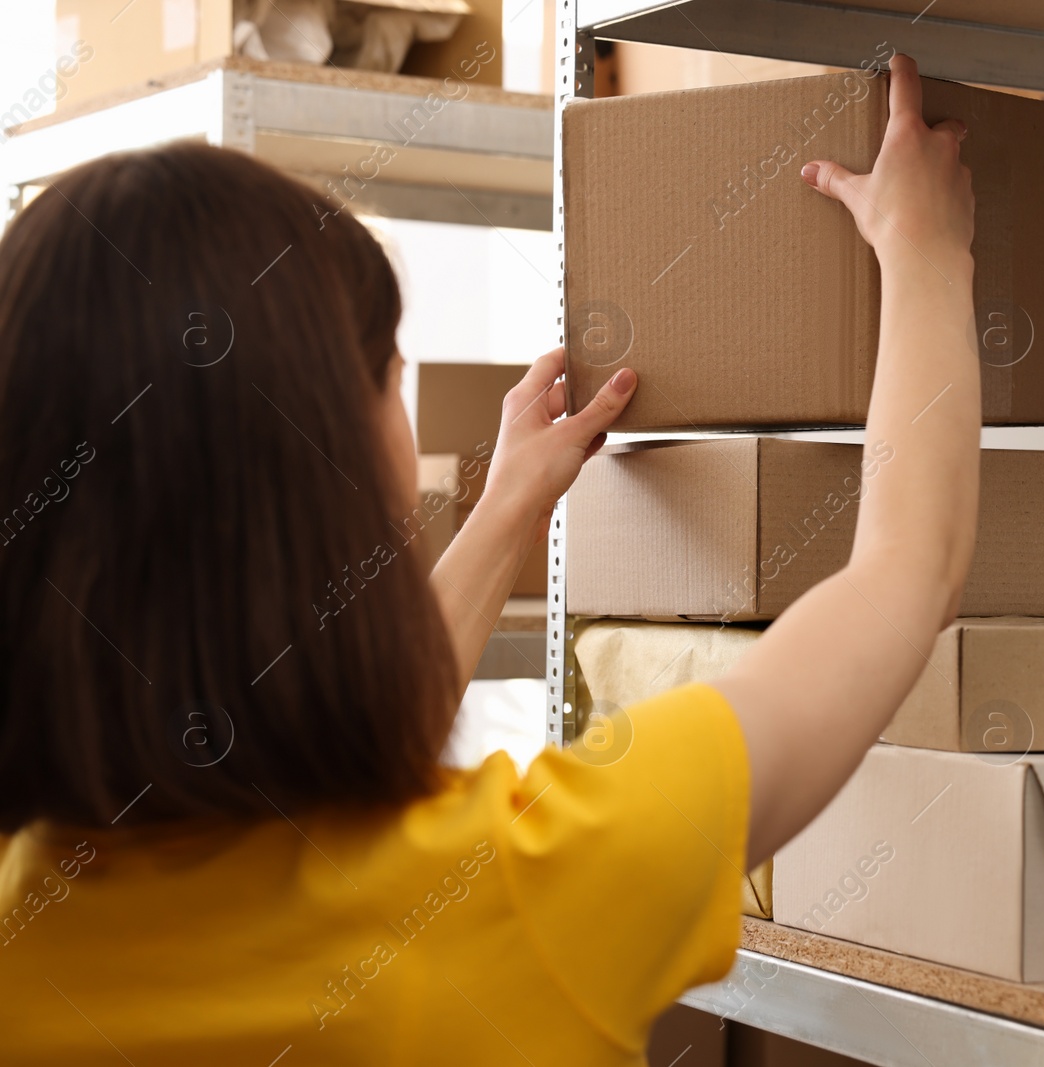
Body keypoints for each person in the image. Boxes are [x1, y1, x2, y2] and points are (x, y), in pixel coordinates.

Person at [0, 53, 977, 1065]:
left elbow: (333, 732)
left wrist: (511, 502)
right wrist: (923, 249)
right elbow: (907, 572)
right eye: (387, 379)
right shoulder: (523, 885)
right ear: (334, 466)